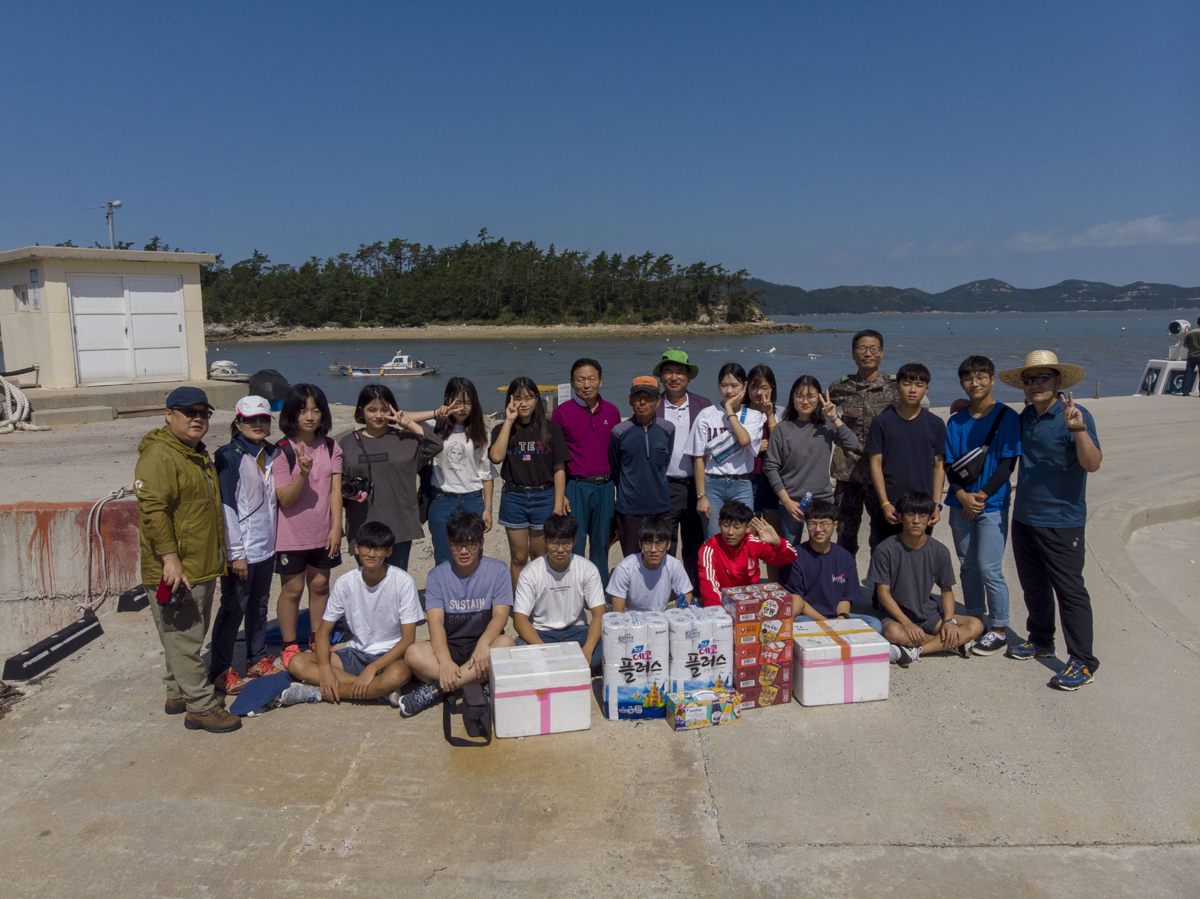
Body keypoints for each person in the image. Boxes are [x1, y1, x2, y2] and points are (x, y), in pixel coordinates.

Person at [134, 386, 239, 733]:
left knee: (181, 636)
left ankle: (177, 693)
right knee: (185, 640)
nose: (198, 419)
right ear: (168, 415)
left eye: (203, 413)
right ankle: (200, 706)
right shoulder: (159, 457)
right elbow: (153, 512)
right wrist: (170, 560)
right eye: (189, 412)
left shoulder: (194, 454)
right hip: (177, 570)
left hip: (200, 565)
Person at [998, 351, 1103, 690]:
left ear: (1058, 381)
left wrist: (1079, 430)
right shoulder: (1026, 416)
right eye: (1029, 380)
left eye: (1042, 378)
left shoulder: (1075, 414)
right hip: (1025, 516)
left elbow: (1092, 464)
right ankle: (1041, 639)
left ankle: (1083, 662)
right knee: (1033, 586)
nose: (1035, 385)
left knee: (1070, 591)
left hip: (1062, 520)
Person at [282, 521, 421, 707]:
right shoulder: (345, 582)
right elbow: (322, 632)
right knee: (297, 662)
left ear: (389, 551)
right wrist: (325, 669)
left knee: (397, 675)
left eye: (378, 549)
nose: (371, 554)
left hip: (390, 656)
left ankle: (318, 693)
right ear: (356, 548)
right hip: (356, 653)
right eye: (366, 548)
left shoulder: (403, 582)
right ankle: (377, 690)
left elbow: (408, 639)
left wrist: (372, 668)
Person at [399, 512, 515, 717]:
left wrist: (483, 643)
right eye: (456, 545)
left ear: (481, 543)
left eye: (470, 545)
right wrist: (444, 660)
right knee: (413, 653)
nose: (463, 552)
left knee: (506, 644)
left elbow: (500, 615)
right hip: (450, 644)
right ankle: (476, 680)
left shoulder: (498, 570)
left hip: (483, 643)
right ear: (448, 543)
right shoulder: (437, 575)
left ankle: (436, 689)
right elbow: (435, 621)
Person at [944, 356, 1022, 656]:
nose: (974, 383)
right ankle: (975, 619)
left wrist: (980, 497)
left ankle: (999, 628)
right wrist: (961, 494)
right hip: (960, 503)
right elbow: (950, 464)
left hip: (992, 504)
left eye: (980, 377)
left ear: (992, 379)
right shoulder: (956, 421)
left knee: (990, 567)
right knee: (967, 565)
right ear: (961, 383)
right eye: (968, 378)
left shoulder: (1007, 416)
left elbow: (1007, 464)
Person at [210, 396, 282, 696]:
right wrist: (235, 553)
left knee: (259, 605)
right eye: (250, 420)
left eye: (263, 419)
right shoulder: (229, 457)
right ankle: (220, 670)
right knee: (233, 608)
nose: (258, 424)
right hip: (242, 550)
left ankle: (256, 658)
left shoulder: (273, 453)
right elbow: (226, 506)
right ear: (238, 423)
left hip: (266, 547)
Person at [869, 492, 985, 666]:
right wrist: (907, 623)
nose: (916, 520)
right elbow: (883, 594)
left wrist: (949, 621)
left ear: (930, 518)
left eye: (922, 515)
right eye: (910, 514)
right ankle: (951, 644)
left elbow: (946, 590)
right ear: (901, 516)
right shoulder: (885, 549)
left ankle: (916, 651)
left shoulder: (939, 551)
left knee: (976, 625)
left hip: (929, 614)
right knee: (892, 633)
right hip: (897, 616)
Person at [339, 383, 443, 571]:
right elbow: (337, 484)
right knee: (368, 580)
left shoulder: (406, 439)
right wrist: (349, 494)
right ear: (361, 410)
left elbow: (435, 445)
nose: (379, 415)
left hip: (399, 523)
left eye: (385, 410)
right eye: (372, 410)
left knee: (396, 579)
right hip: (362, 523)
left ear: (393, 410)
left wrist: (408, 423)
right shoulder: (347, 443)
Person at [489, 377, 571, 589]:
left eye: (528, 398)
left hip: (544, 497)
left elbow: (559, 469)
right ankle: (520, 603)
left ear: (537, 399)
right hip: (514, 497)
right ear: (510, 400)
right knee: (518, 557)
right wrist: (509, 421)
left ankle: (539, 599)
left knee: (539, 556)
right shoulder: (501, 429)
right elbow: (496, 457)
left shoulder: (551, 429)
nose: (523, 403)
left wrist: (557, 506)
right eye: (518, 398)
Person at [763, 375, 859, 549]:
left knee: (821, 548)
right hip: (792, 501)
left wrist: (834, 417)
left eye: (811, 396)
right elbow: (770, 466)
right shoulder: (782, 429)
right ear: (792, 397)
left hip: (822, 500)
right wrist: (786, 501)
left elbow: (852, 444)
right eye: (799, 396)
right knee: (790, 550)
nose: (805, 401)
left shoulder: (827, 425)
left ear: (819, 398)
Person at [828, 330, 901, 556]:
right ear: (853, 353)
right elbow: (817, 408)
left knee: (881, 537)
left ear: (881, 353)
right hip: (847, 473)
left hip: (880, 474)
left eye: (873, 349)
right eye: (862, 348)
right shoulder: (840, 387)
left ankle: (880, 579)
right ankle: (845, 577)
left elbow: (915, 411)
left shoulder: (895, 387)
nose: (867, 353)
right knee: (845, 536)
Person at [412, 377, 497, 567]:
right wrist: (437, 413)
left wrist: (488, 509)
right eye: (457, 403)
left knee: (473, 556)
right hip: (441, 499)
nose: (462, 408)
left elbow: (486, 474)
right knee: (443, 557)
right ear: (447, 400)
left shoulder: (482, 431)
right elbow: (402, 419)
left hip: (472, 499)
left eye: (468, 402)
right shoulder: (433, 426)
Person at [552, 358, 620, 586]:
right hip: (575, 486)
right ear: (572, 383)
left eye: (591, 379)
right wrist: (560, 494)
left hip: (605, 486)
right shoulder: (561, 413)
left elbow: (616, 452)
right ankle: (575, 589)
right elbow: (554, 458)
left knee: (602, 542)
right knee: (575, 541)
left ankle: (599, 590)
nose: (587, 385)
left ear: (600, 381)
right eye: (581, 380)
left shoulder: (612, 411)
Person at [865, 363, 946, 548]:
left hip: (922, 507)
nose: (912, 390)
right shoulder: (881, 422)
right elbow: (875, 464)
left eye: (919, 385)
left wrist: (936, 504)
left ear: (926, 389)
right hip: (890, 505)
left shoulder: (936, 424)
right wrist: (885, 503)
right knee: (883, 556)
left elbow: (939, 466)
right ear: (897, 386)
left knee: (919, 557)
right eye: (907, 383)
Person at [653, 349, 712, 595]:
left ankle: (693, 592)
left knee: (695, 543)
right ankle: (666, 592)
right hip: (664, 486)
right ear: (661, 377)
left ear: (688, 377)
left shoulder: (703, 405)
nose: (674, 377)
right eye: (668, 372)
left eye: (679, 372)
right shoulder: (653, 405)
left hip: (697, 487)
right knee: (666, 542)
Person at [512, 513, 606, 669]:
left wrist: (588, 649)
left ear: (574, 541)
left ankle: (555, 668)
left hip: (577, 631)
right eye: (554, 544)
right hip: (541, 632)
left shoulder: (587, 569)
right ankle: (573, 667)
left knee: (608, 646)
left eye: (566, 544)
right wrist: (543, 650)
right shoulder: (530, 573)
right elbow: (520, 619)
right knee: (519, 647)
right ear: (545, 541)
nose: (560, 550)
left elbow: (599, 613)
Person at [685, 363, 767, 539]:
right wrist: (701, 496)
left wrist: (729, 410)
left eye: (734, 385)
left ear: (745, 386)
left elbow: (744, 440)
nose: (729, 390)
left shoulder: (754, 416)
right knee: (714, 538)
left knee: (743, 537)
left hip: (742, 484)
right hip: (712, 484)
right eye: (724, 385)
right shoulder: (706, 415)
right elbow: (698, 458)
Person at [778, 499, 882, 633]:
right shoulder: (795, 557)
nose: (818, 529)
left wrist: (841, 617)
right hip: (810, 617)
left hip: (836, 617)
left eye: (824, 524)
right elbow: (797, 602)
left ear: (835, 525)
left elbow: (846, 597)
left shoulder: (845, 557)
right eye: (812, 524)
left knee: (875, 623)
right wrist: (826, 623)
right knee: (801, 623)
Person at [609, 376, 674, 556]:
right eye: (638, 397)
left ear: (658, 401)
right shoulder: (619, 432)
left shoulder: (668, 429)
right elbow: (616, 467)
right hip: (629, 507)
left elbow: (664, 463)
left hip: (659, 505)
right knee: (632, 557)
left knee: (658, 556)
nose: (643, 402)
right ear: (630, 400)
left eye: (649, 398)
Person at [696, 500, 798, 606]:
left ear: (748, 528)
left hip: (753, 602)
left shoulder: (753, 542)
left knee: (797, 600)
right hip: (724, 607)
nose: (730, 532)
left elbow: (790, 557)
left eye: (737, 527)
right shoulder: (709, 550)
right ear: (719, 523)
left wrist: (778, 543)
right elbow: (709, 590)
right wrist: (727, 612)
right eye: (726, 525)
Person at [607, 515, 695, 612]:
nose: (653, 550)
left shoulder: (674, 566)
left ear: (668, 544)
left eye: (659, 544)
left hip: (661, 619)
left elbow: (688, 602)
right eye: (648, 543)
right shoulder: (625, 568)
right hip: (631, 619)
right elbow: (617, 613)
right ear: (640, 544)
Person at [1185, 317, 1200, 396]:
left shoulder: (1190, 333)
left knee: (1188, 373)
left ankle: (1185, 392)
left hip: (1191, 355)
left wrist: (1192, 348)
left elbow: (1185, 345)